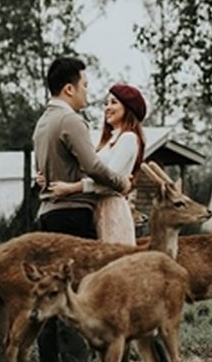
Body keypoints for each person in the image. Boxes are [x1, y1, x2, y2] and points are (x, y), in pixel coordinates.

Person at [32, 57, 131, 362]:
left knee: (49, 285)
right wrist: (121, 182)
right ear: (69, 88)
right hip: (72, 214)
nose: (88, 93)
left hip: (47, 214)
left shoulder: (43, 122)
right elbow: (92, 166)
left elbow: (44, 171)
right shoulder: (71, 121)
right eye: (85, 86)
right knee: (76, 288)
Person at [46, 84, 148, 245]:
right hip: (97, 208)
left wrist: (72, 188)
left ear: (128, 108)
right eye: (106, 103)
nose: (107, 108)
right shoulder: (107, 143)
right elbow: (91, 173)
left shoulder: (128, 138)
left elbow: (109, 182)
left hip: (112, 210)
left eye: (114, 102)